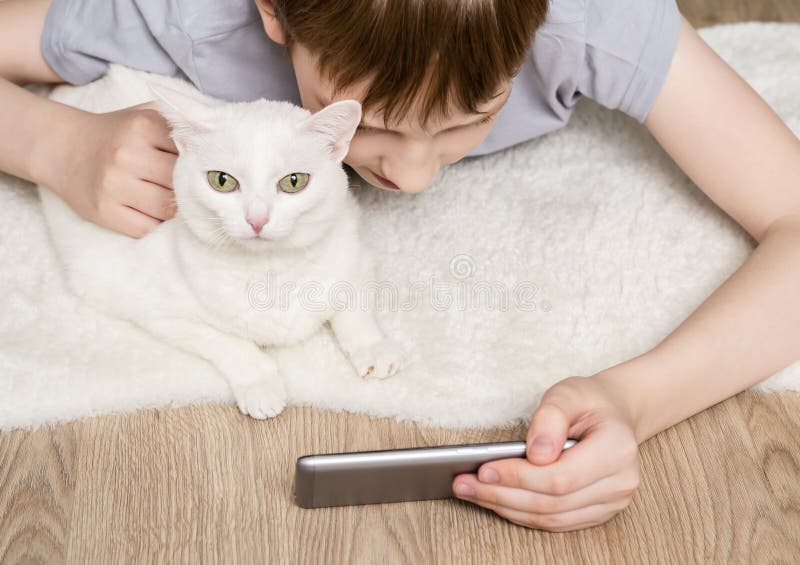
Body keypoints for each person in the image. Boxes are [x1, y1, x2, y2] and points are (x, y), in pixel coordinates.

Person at [1, 0, 799, 532]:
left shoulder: (594, 18)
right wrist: (50, 141)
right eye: (374, 126)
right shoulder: (194, 15)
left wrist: (636, 398)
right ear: (274, 12)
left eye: (472, 120)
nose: (414, 178)